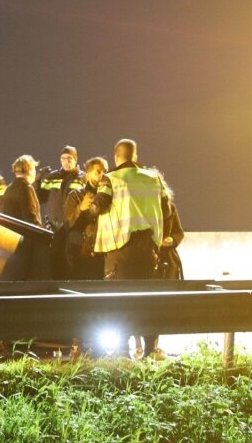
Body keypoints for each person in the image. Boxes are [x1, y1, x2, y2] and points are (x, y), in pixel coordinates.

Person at [90, 139, 169, 359]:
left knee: (119, 299)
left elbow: (99, 205)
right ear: (135, 156)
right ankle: (151, 351)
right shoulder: (154, 178)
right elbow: (167, 209)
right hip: (149, 249)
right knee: (147, 300)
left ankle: (122, 353)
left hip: (119, 248)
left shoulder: (111, 178)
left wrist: (87, 210)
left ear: (116, 157)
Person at [62, 156, 109, 280]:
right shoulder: (75, 195)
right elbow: (67, 224)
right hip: (79, 253)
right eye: (98, 172)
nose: (102, 175)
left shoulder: (109, 196)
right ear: (87, 174)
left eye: (105, 172)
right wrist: (80, 209)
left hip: (102, 252)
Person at [34, 146, 84, 229]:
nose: (66, 161)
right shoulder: (52, 177)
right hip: (53, 227)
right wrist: (38, 181)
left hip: (74, 226)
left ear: (75, 159)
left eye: (69, 158)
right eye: (63, 158)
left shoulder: (83, 178)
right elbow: (39, 198)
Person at [1, 155, 42, 225]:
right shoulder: (26, 188)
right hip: (24, 234)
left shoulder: (9, 188)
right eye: (34, 169)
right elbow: (30, 217)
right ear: (30, 170)